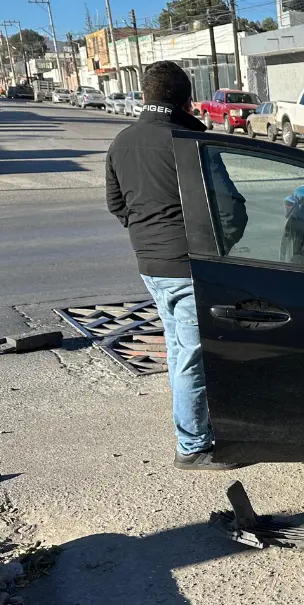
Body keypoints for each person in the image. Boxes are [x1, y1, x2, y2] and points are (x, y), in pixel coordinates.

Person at [105, 61, 248, 471]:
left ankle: (195, 426)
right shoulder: (187, 143)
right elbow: (232, 210)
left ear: (146, 96)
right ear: (186, 101)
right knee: (190, 357)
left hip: (150, 265)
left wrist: (149, 235)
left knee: (177, 348)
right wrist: (220, 251)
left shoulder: (122, 142)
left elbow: (117, 205)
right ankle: (192, 445)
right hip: (188, 265)